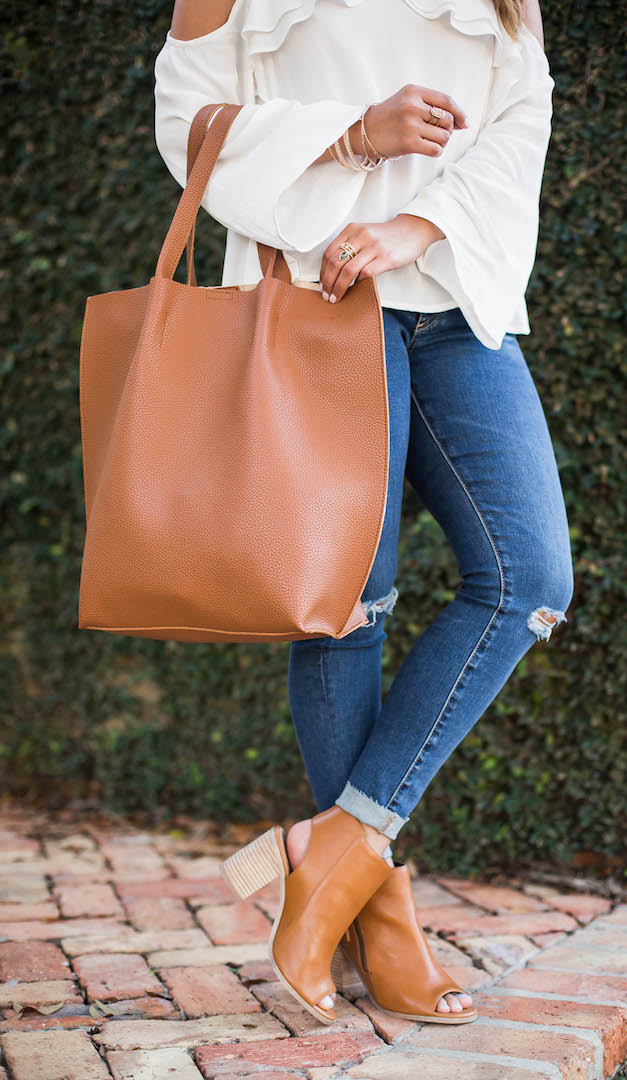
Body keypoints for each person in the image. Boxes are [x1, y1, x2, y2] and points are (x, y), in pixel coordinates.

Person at [154, 0, 574, 1026]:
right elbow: (187, 124)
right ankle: (380, 916)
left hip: (452, 292)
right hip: (316, 292)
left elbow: (523, 115)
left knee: (528, 577)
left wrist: (416, 223)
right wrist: (350, 137)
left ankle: (336, 846)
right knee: (350, 597)